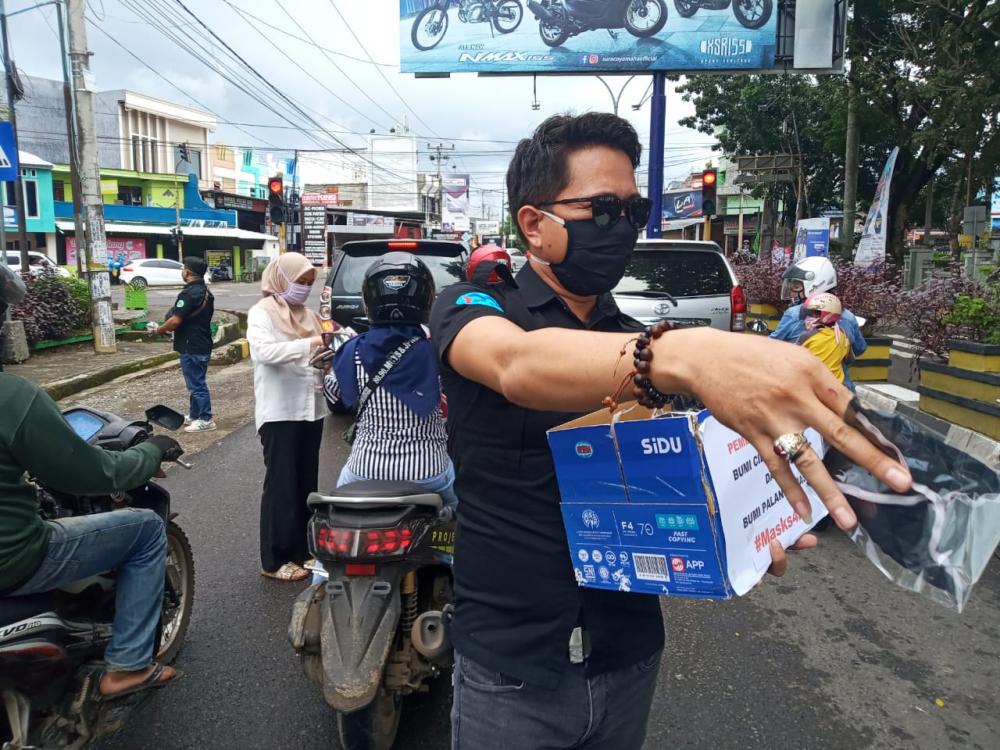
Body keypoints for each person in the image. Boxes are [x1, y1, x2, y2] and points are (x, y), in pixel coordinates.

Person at [428, 113, 912, 750]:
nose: (623, 227)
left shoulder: (628, 329)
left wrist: (743, 525)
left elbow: (666, 478)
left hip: (627, 655)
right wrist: (685, 356)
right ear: (533, 225)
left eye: (635, 209)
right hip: (511, 671)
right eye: (603, 209)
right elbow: (516, 366)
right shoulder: (475, 307)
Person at [0, 264, 184, 699]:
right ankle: (128, 666)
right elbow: (90, 475)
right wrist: (149, 452)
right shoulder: (13, 397)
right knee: (144, 529)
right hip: (13, 558)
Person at [325, 253, 457, 510]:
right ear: (426, 300)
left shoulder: (350, 352)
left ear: (368, 301)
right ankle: (448, 552)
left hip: (363, 470)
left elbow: (334, 395)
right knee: (462, 520)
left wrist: (325, 370)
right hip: (429, 471)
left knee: (336, 512)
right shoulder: (438, 352)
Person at [247, 252, 328, 582]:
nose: (305, 290)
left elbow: (317, 352)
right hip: (280, 411)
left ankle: (303, 551)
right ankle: (274, 558)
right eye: (300, 283)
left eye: (309, 284)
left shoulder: (308, 315)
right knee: (281, 485)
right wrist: (310, 345)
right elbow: (264, 353)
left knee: (306, 483)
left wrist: (326, 356)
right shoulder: (261, 313)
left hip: (312, 409)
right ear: (281, 279)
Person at [770, 255, 867, 391]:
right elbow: (859, 349)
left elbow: (772, 346)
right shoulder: (848, 316)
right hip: (841, 389)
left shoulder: (794, 314)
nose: (792, 292)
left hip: (803, 388)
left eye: (797, 286)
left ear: (815, 284)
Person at [149, 257, 216, 432]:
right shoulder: (206, 293)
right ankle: (194, 415)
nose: (183, 272)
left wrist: (158, 330)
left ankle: (206, 419)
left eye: (184, 268)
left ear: (188, 272)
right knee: (196, 382)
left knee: (197, 384)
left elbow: (174, 321)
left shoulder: (188, 294)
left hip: (191, 345)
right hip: (202, 342)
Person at [797, 292, 853, 383]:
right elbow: (849, 360)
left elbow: (795, 359)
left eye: (813, 315)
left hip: (814, 385)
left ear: (827, 315)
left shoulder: (807, 336)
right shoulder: (843, 335)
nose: (808, 318)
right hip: (837, 384)